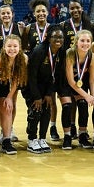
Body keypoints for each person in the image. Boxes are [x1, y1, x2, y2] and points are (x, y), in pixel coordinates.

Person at [25, 25, 66, 154]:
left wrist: (49, 93)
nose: (58, 40)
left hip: (46, 86)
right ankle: (32, 139)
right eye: (55, 37)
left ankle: (42, 138)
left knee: (47, 110)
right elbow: (31, 76)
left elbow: (56, 74)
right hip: (31, 86)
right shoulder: (39, 51)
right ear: (49, 38)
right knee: (36, 110)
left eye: (61, 37)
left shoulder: (61, 52)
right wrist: (36, 96)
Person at [0, 34, 28, 157]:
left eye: (15, 46)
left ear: (20, 47)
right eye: (9, 46)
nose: (12, 49)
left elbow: (17, 79)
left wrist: (9, 97)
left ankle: (6, 140)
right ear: (4, 47)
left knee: (8, 110)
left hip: (4, 86)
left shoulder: (23, 58)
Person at [64, 29, 94, 149]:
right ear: (76, 42)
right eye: (82, 40)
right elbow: (71, 82)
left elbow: (92, 80)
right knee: (67, 106)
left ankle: (82, 134)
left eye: (88, 41)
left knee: (84, 104)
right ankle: (67, 136)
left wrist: (93, 97)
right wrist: (87, 95)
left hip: (80, 85)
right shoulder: (69, 54)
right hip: (66, 84)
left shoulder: (93, 57)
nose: (85, 43)